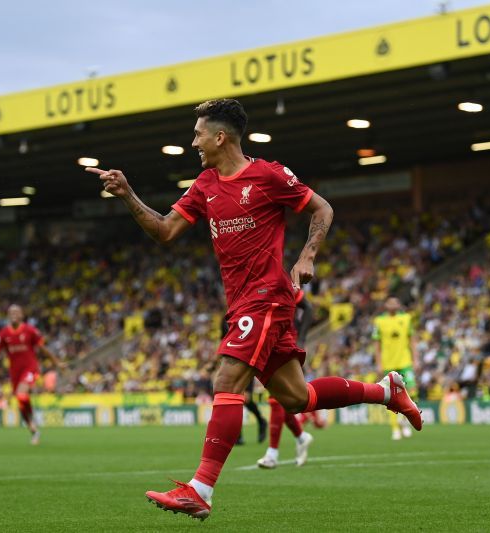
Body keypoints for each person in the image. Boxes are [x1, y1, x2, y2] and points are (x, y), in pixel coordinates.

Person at [86, 98, 422, 521]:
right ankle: (385, 391)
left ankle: (201, 489)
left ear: (220, 137)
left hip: (267, 297)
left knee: (226, 378)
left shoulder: (268, 175)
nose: (194, 143)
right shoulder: (205, 184)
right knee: (298, 397)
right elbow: (165, 231)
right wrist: (128, 194)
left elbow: (322, 207)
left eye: (198, 134)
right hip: (242, 302)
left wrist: (306, 257)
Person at [0, 304, 66, 445]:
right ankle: (33, 429)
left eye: (16, 312)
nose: (14, 314)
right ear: (8, 315)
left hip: (30, 368)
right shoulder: (3, 334)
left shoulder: (30, 331)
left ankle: (32, 418)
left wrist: (57, 363)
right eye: (11, 312)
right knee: (20, 401)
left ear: (22, 315)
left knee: (22, 394)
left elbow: (43, 349)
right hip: (15, 372)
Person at [256, 290, 314, 469]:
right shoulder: (252, 284)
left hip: (285, 343)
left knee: (276, 400)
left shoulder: (279, 282)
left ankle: (272, 454)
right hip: (266, 344)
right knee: (284, 399)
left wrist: (302, 338)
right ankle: (301, 437)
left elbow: (308, 308)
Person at [373, 297, 419, 440]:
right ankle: (395, 428)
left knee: (412, 391)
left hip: (405, 362)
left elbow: (412, 339)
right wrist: (378, 363)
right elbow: (377, 344)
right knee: (391, 397)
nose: (393, 304)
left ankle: (404, 421)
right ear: (385, 305)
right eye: (390, 302)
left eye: (395, 302)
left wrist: (415, 358)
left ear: (399, 304)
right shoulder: (379, 321)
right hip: (388, 364)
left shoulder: (406, 318)